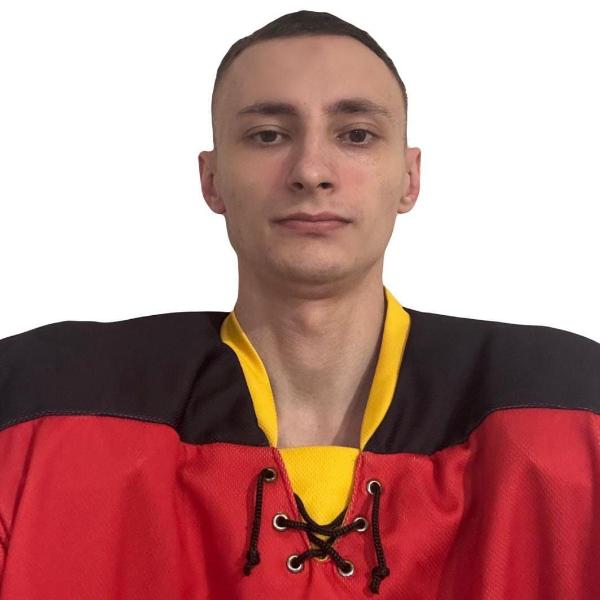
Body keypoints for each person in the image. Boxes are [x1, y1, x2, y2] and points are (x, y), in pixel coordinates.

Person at [0, 9, 598, 600]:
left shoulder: (570, 410)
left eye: (356, 135)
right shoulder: (40, 408)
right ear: (211, 179)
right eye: (268, 135)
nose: (311, 171)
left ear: (409, 177)